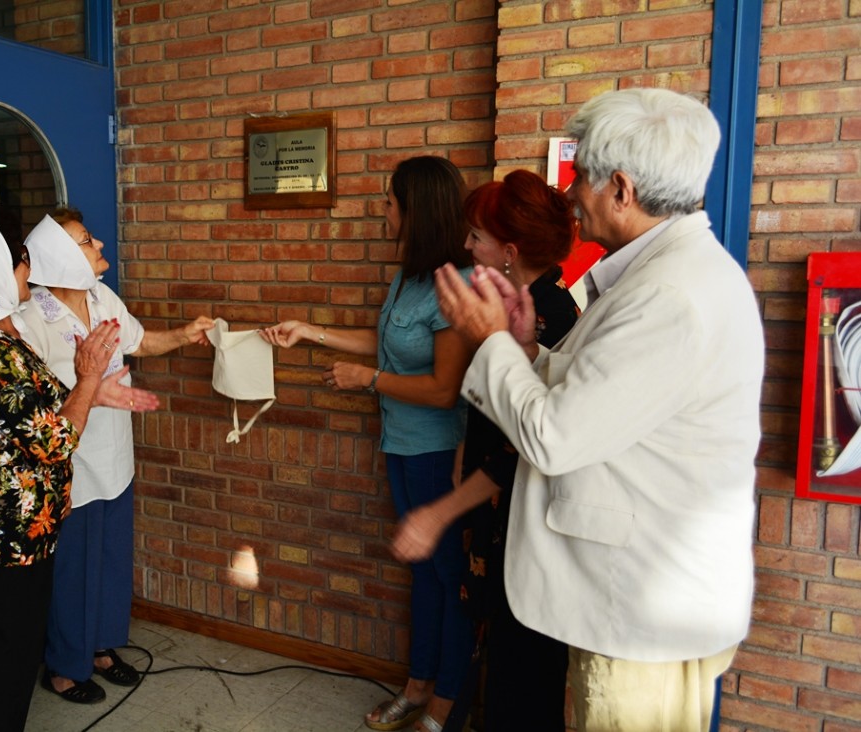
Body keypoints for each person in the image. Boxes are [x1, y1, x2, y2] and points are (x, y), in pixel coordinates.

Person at [434, 88, 765, 732]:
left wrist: (491, 340)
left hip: (641, 609)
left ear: (620, 188)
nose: (572, 197)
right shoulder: (664, 276)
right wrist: (529, 349)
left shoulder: (672, 295)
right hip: (633, 598)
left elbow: (554, 435)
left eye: (579, 176)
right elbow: (601, 398)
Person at [0, 217, 158, 731]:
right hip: (3, 541)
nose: (26, 270)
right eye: (17, 262)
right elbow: (54, 442)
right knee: (1, 668)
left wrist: (93, 392)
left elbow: (20, 421)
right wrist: (89, 379)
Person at [261, 156, 474, 732]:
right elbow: (382, 342)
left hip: (438, 453)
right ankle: (417, 687)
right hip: (400, 445)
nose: (383, 211)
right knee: (422, 576)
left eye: (389, 202)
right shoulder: (408, 274)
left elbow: (445, 389)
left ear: (416, 210)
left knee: (447, 579)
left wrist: (370, 380)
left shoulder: (457, 285)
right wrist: (309, 331)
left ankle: (446, 706)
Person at [392, 171, 579, 731]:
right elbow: (491, 411)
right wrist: (460, 458)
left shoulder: (555, 315)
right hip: (486, 495)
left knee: (516, 653)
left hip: (519, 507)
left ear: (509, 251)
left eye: (476, 237)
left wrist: (439, 511)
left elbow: (521, 445)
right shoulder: (512, 301)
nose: (467, 245)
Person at [13, 208, 215, 704]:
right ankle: (64, 668)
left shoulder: (102, 296)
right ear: (60, 256)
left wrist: (185, 335)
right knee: (73, 568)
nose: (98, 243)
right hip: (70, 465)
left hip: (114, 457)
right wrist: (87, 387)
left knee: (108, 560)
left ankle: (100, 650)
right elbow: (30, 404)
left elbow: (139, 341)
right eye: (86, 240)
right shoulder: (31, 317)